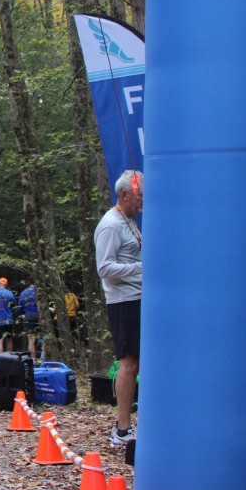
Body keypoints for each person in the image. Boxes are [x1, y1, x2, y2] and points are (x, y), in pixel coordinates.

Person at [95, 169, 143, 447]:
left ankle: (130, 424)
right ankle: (122, 430)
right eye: (139, 195)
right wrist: (142, 269)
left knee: (138, 362)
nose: (142, 200)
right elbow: (104, 268)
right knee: (128, 363)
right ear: (124, 195)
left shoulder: (129, 220)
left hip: (138, 298)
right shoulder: (111, 225)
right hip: (124, 301)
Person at [18, 281, 39, 359]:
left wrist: (25, 312)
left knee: (31, 340)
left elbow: (20, 308)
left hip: (28, 316)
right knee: (44, 338)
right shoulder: (39, 291)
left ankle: (33, 359)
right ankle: (43, 358)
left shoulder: (24, 293)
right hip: (39, 316)